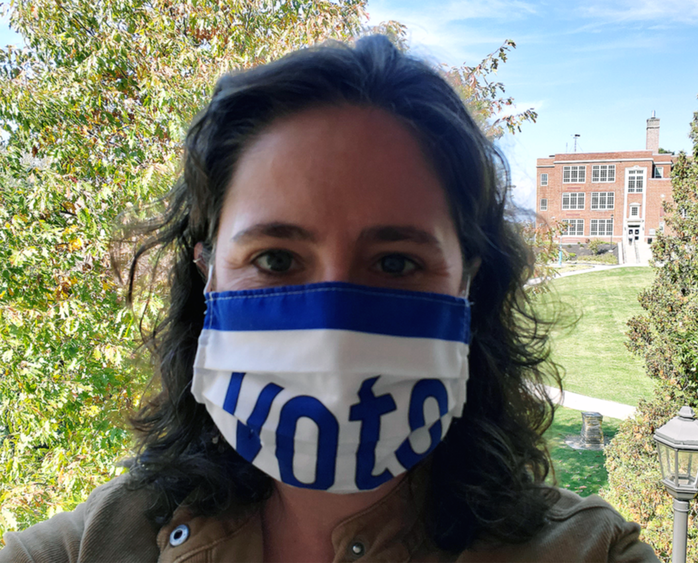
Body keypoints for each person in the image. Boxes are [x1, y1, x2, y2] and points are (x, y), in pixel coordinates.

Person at [0, 35, 658, 563]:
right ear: (207, 277)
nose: (333, 323)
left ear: (467, 284)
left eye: (395, 261)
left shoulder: (586, 552)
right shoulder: (94, 545)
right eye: (276, 259)